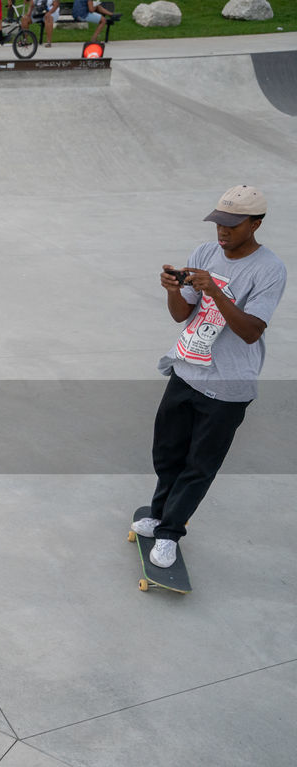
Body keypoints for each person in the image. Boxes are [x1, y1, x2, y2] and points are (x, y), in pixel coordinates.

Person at [133, 186, 286, 568]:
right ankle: (159, 514)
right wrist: (173, 289)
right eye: (219, 222)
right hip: (186, 371)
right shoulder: (204, 252)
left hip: (228, 388)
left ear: (256, 224)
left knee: (199, 465)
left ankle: (170, 535)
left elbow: (251, 330)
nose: (223, 231)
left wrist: (216, 291)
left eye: (233, 225)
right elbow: (181, 314)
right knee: (167, 453)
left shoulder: (270, 269)